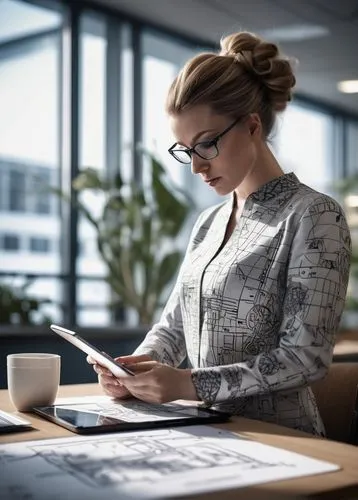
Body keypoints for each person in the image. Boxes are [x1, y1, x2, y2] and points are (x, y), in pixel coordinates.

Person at [88, 31, 351, 435]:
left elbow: (306, 357)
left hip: (284, 439)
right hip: (209, 431)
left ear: (251, 126)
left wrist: (187, 383)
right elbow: (174, 326)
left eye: (206, 144)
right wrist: (133, 370)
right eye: (184, 150)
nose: (196, 166)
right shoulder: (208, 223)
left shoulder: (314, 216)